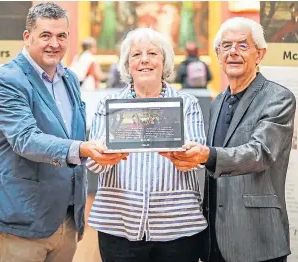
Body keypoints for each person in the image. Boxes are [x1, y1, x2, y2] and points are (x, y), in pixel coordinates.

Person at [0, 3, 126, 262]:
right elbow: (25, 139)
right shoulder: (7, 81)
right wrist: (83, 149)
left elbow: (74, 133)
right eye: (46, 35)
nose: (54, 43)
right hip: (23, 222)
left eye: (61, 36)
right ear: (28, 37)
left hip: (67, 218)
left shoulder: (69, 78)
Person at [162, 17, 296, 262]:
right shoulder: (218, 102)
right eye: (226, 46)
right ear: (217, 54)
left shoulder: (278, 98)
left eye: (243, 45)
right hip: (214, 239)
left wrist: (207, 155)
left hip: (256, 237)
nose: (233, 52)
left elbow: (260, 153)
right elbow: (214, 164)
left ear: (260, 54)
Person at [86, 28, 207, 262]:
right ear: (127, 64)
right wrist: (101, 155)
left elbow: (197, 163)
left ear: (164, 62)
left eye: (152, 53)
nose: (144, 60)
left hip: (177, 227)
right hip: (118, 226)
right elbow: (94, 165)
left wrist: (186, 156)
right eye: (136, 55)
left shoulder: (187, 103)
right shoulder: (109, 104)